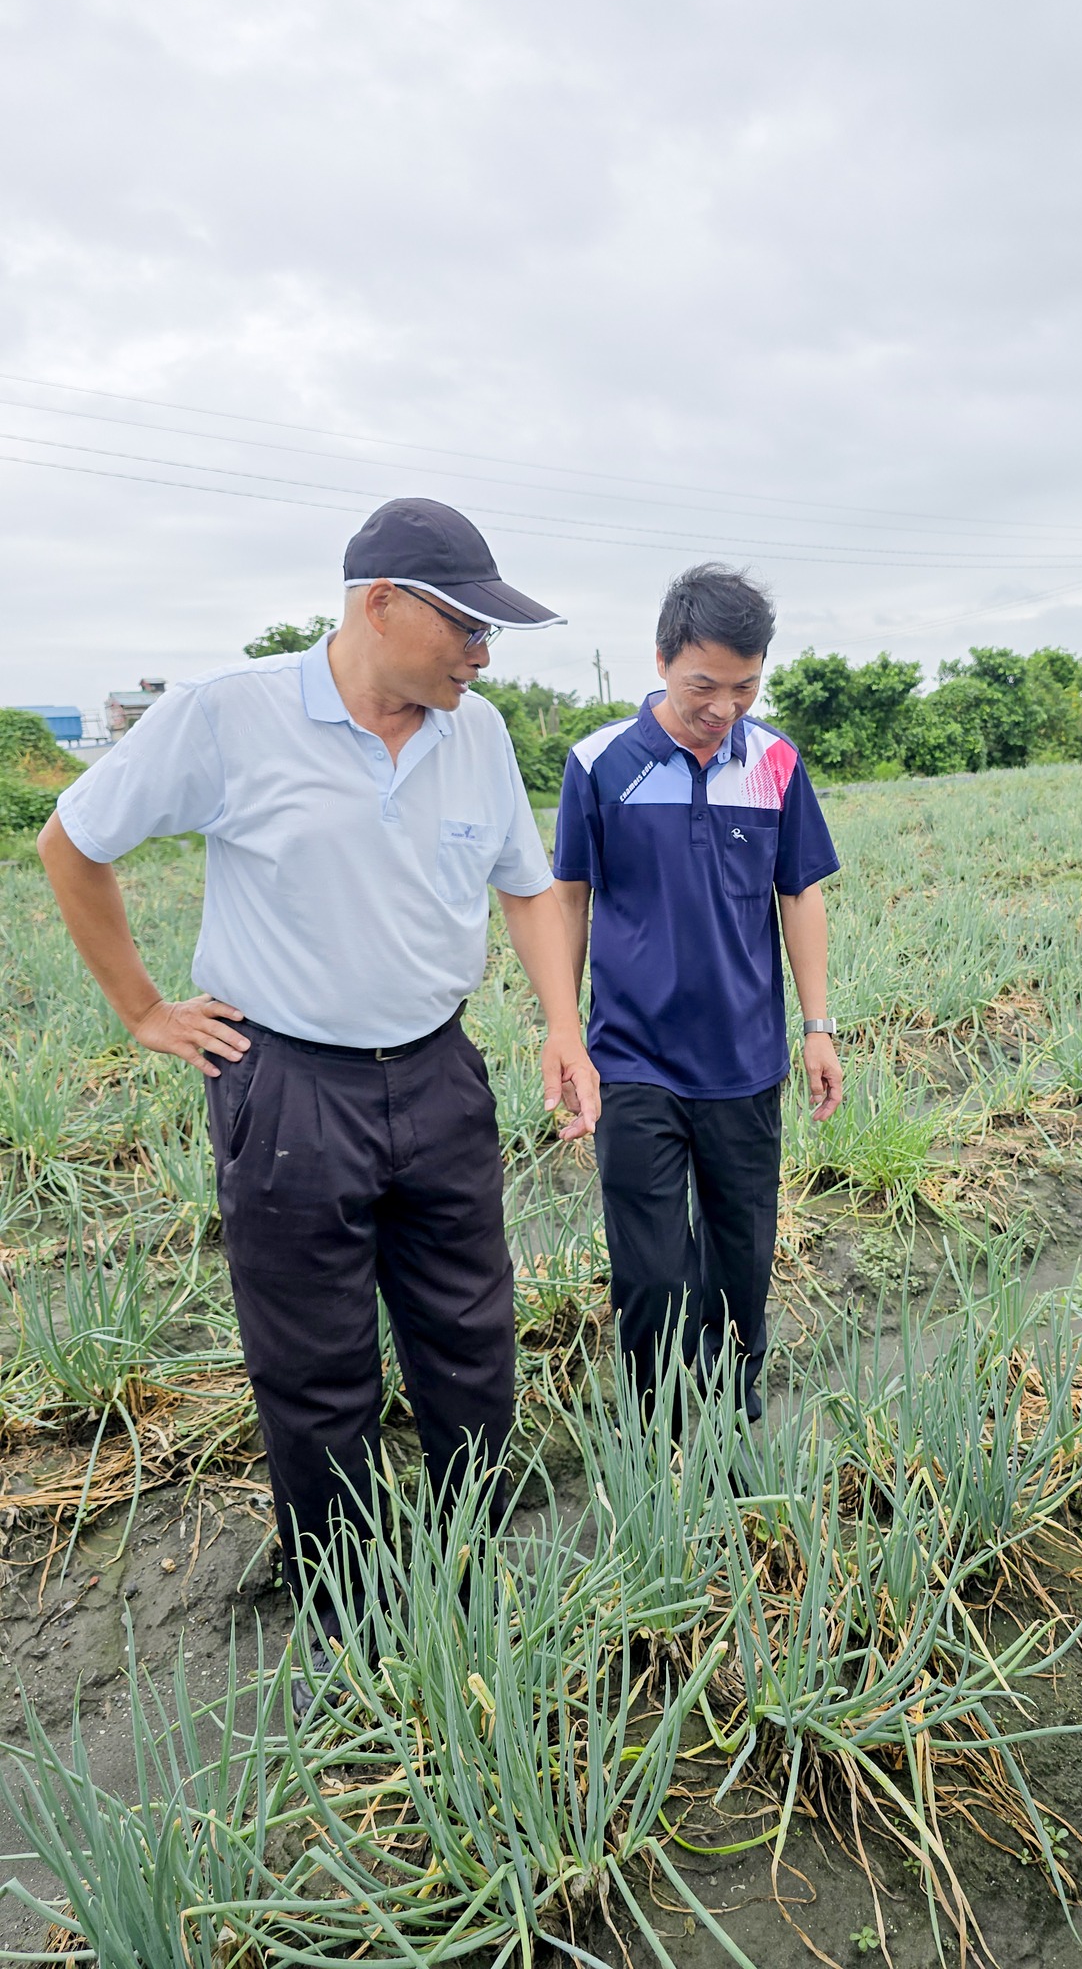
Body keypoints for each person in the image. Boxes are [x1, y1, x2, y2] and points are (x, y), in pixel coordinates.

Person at [38, 497, 600, 1684]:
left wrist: (563, 1026)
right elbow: (73, 842)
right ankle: (352, 1621)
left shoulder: (477, 732)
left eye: (491, 633)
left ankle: (466, 1560)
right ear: (380, 604)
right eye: (467, 627)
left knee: (470, 1335)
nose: (482, 654)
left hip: (439, 1072)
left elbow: (524, 884)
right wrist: (143, 1009)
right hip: (288, 1085)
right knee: (316, 1366)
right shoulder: (228, 715)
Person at [551, 564, 841, 1426]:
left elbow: (799, 893)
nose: (724, 706)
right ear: (662, 659)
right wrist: (562, 1030)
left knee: (741, 1261)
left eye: (745, 686)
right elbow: (569, 898)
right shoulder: (599, 763)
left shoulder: (776, 761)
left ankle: (731, 1414)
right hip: (631, 1056)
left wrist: (817, 1025)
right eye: (703, 685)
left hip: (744, 1058)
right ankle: (658, 1427)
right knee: (649, 1271)